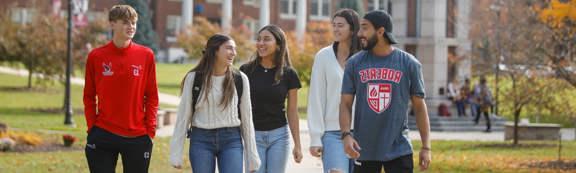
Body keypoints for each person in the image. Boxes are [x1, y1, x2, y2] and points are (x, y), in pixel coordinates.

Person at [339, 10, 432, 173]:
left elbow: (419, 107)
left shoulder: (409, 63)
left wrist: (426, 147)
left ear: (380, 32)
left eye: (365, 28)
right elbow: (345, 104)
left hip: (399, 149)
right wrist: (346, 135)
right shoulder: (354, 63)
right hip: (363, 148)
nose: (360, 33)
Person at [83, 5, 158, 173]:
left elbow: (152, 96)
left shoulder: (146, 55)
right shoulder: (96, 56)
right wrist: (92, 127)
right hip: (103, 133)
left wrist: (150, 130)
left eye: (133, 23)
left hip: (138, 136)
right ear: (112, 24)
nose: (131, 26)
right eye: (125, 22)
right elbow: (88, 95)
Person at [169, 34, 260, 173]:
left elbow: (247, 119)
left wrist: (252, 156)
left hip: (231, 140)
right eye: (229, 48)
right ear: (215, 50)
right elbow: (183, 116)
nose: (234, 53)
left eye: (234, 49)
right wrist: (176, 152)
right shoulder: (194, 79)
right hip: (201, 140)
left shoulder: (240, 79)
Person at [240, 25, 302, 173]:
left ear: (279, 45)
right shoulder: (246, 71)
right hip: (253, 136)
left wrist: (297, 145)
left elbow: (292, 111)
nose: (261, 43)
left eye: (267, 39)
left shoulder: (289, 74)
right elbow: (237, 106)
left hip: (279, 136)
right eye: (259, 39)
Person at [307, 8, 361, 173]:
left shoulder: (364, 57)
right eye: (334, 25)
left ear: (352, 29)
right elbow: (316, 97)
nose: (336, 29)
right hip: (333, 134)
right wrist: (316, 137)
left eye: (341, 25)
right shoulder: (323, 56)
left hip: (362, 132)